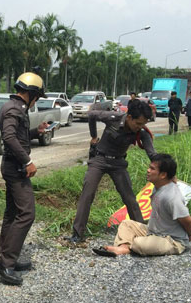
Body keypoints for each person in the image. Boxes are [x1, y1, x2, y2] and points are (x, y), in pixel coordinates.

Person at [66, 99, 156, 243]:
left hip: (118, 163)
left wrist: (165, 167)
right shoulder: (113, 118)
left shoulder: (142, 133)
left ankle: (141, 233)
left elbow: (152, 154)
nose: (140, 127)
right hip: (99, 160)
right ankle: (77, 234)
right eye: (138, 123)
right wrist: (94, 136)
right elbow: (92, 115)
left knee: (130, 198)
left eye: (143, 124)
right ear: (129, 117)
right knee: (87, 194)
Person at [0, 72, 48, 285]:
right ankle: (7, 265)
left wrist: (36, 131)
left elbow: (18, 135)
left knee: (12, 213)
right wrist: (27, 161)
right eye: (37, 96)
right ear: (32, 93)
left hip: (13, 166)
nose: (37, 100)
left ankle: (3, 260)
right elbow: (9, 137)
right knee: (27, 213)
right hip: (15, 168)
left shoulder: (14, 108)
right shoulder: (14, 109)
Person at [92, 153, 191, 257]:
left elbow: (187, 220)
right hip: (153, 231)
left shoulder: (171, 197)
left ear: (163, 175)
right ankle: (123, 248)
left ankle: (129, 246)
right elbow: (172, 178)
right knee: (126, 224)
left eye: (152, 169)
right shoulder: (159, 185)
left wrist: (189, 235)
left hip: (172, 240)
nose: (148, 170)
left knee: (138, 243)